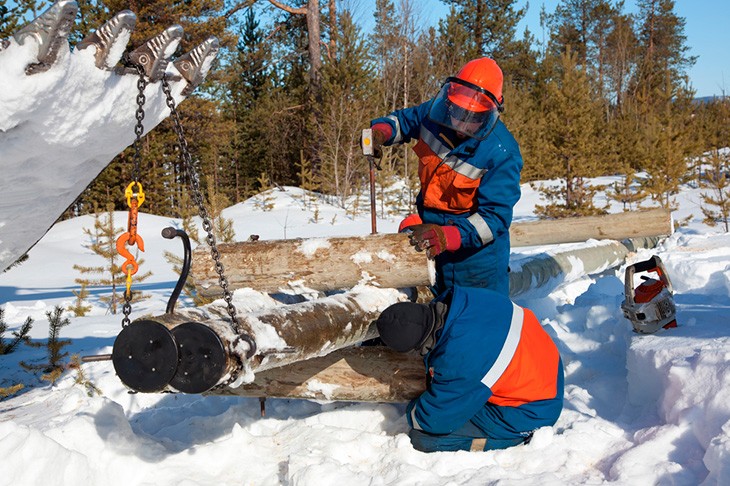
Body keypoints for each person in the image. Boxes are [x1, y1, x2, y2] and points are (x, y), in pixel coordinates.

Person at [367, 57, 523, 296]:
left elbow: (494, 220)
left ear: (491, 112)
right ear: (450, 99)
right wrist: (381, 132)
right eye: (459, 112)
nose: (462, 123)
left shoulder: (501, 153)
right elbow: (404, 121)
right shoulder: (435, 114)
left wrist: (448, 235)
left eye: (473, 118)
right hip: (432, 244)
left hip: (477, 264)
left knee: (471, 326)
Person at [376, 286, 564, 453]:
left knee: (424, 439)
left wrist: (412, 410)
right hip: (544, 368)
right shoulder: (465, 298)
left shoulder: (462, 360)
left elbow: (435, 420)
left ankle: (510, 439)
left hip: (532, 411)